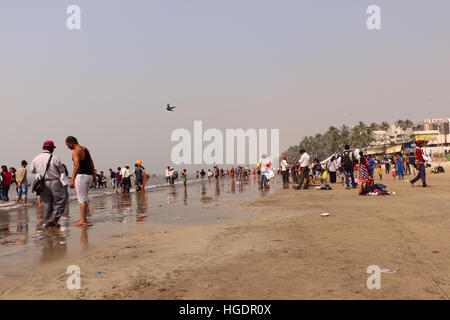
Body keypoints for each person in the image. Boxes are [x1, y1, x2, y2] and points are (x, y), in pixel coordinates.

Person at [30, 140, 66, 228]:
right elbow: (62, 170)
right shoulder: (54, 157)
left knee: (47, 202)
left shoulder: (36, 158)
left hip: (42, 182)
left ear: (43, 148)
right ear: (51, 148)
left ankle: (46, 222)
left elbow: (32, 170)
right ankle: (54, 219)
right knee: (60, 201)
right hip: (54, 181)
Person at [65, 136, 96, 227]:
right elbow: (91, 162)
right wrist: (93, 175)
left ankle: (83, 220)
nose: (67, 147)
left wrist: (72, 180)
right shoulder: (85, 149)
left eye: (67, 145)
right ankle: (84, 219)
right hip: (89, 175)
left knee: (81, 198)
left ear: (71, 142)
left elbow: (77, 165)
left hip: (81, 176)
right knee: (84, 198)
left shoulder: (75, 151)